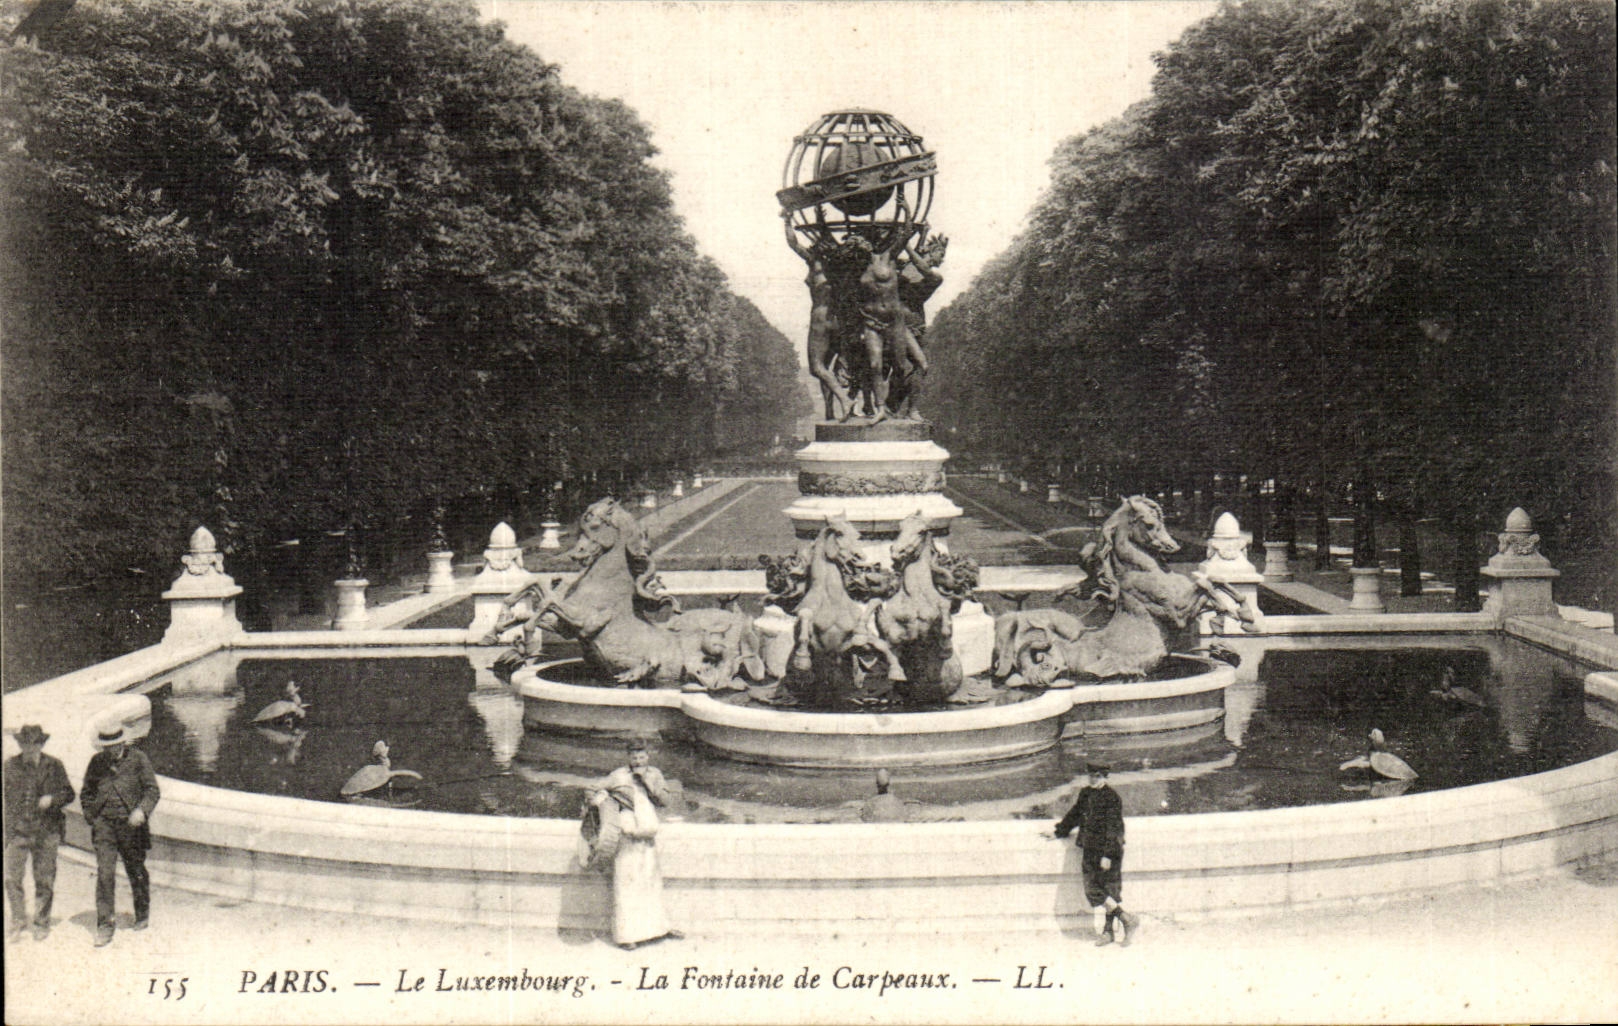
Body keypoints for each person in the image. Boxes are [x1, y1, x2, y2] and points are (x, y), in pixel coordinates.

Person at [591, 740, 682, 951]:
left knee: (650, 880)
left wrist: (649, 784)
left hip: (647, 832)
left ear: (648, 756)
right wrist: (603, 799)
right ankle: (626, 935)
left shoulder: (655, 774)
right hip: (627, 833)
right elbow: (594, 789)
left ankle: (658, 929)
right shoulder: (619, 775)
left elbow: (665, 801)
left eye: (642, 756)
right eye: (634, 757)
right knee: (626, 881)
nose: (638, 761)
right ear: (628, 757)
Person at [80, 723, 160, 947]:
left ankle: (142, 912)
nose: (111, 751)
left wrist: (141, 811)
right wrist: (92, 817)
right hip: (104, 826)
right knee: (105, 874)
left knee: (136, 870)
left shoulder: (138, 759)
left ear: (123, 743)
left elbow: (152, 790)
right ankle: (105, 925)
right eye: (107, 747)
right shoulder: (97, 763)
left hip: (131, 826)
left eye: (115, 746)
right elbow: (86, 792)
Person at [1051, 762, 1139, 947]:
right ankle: (1126, 919)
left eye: (1097, 776)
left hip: (1109, 851)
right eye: (1091, 775)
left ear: (1105, 778)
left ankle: (1109, 932)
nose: (1093, 779)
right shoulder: (1085, 793)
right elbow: (1074, 815)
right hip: (1090, 849)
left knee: (1109, 890)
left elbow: (1115, 828)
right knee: (1093, 889)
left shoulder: (1112, 798)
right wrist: (1058, 831)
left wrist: (1107, 855)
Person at [5, 724, 76, 942]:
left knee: (44, 879)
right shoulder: (10, 766)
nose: (29, 748)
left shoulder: (54, 765)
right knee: (11, 878)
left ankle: (41, 922)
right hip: (18, 832)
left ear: (41, 744)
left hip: (46, 832)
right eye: (24, 743)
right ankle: (18, 920)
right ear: (20, 744)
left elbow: (69, 793)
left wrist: (52, 800)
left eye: (34, 744)